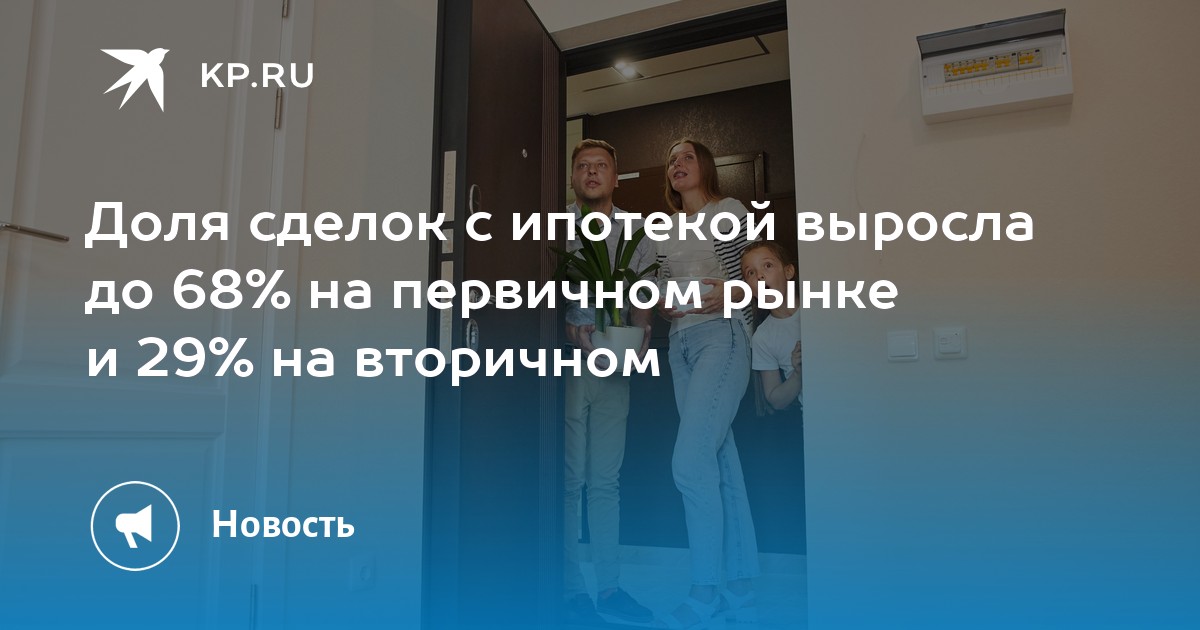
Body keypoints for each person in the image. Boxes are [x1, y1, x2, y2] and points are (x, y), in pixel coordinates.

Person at [653, 139, 759, 628]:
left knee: (690, 462)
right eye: (671, 160)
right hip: (680, 344)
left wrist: (730, 292)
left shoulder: (729, 210)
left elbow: (754, 280)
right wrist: (661, 303)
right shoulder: (664, 229)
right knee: (718, 460)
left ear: (706, 166)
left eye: (687, 156)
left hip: (723, 336)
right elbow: (661, 288)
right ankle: (740, 587)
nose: (677, 164)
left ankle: (704, 589)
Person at [561, 139, 655, 625]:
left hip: (617, 365)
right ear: (572, 178)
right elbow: (541, 295)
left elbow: (644, 296)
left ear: (616, 178)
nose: (592, 172)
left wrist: (640, 336)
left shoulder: (637, 231)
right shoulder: (556, 227)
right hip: (570, 365)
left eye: (601, 166)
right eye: (583, 166)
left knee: (605, 481)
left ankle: (610, 588)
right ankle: (571, 590)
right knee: (568, 480)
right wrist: (569, 332)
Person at [741, 241, 803, 412]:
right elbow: (776, 400)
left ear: (788, 272)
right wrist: (798, 373)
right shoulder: (762, 338)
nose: (759, 276)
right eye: (751, 272)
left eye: (767, 266)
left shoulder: (820, 306)